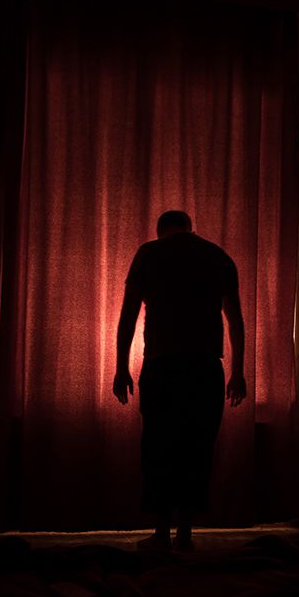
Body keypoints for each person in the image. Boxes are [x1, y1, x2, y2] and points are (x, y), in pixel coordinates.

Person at [112, 209, 246, 552]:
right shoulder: (217, 257)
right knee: (197, 450)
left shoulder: (149, 254)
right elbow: (235, 320)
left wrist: (121, 367)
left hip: (163, 365)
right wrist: (238, 372)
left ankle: (161, 532)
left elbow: (128, 315)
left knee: (158, 449)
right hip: (205, 368)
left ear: (161, 231)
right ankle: (185, 533)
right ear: (190, 229)